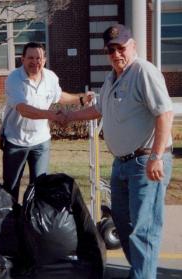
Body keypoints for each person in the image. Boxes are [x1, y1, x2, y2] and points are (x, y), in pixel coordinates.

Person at [61, 24, 174, 279]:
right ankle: (144, 271)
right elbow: (99, 109)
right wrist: (69, 117)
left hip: (146, 162)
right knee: (123, 225)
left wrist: (156, 157)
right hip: (121, 163)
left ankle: (143, 275)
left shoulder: (143, 71)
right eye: (111, 50)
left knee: (143, 229)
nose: (116, 54)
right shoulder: (112, 77)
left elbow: (165, 113)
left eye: (121, 48)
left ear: (132, 46)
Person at [1, 41, 93, 202]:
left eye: (39, 58)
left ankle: (33, 223)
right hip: (16, 141)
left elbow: (58, 96)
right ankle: (11, 223)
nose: (35, 62)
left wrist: (80, 99)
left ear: (44, 60)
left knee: (39, 187)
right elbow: (24, 109)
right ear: (22, 59)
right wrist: (53, 115)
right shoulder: (14, 79)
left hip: (41, 141)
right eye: (30, 58)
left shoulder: (50, 77)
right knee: (11, 187)